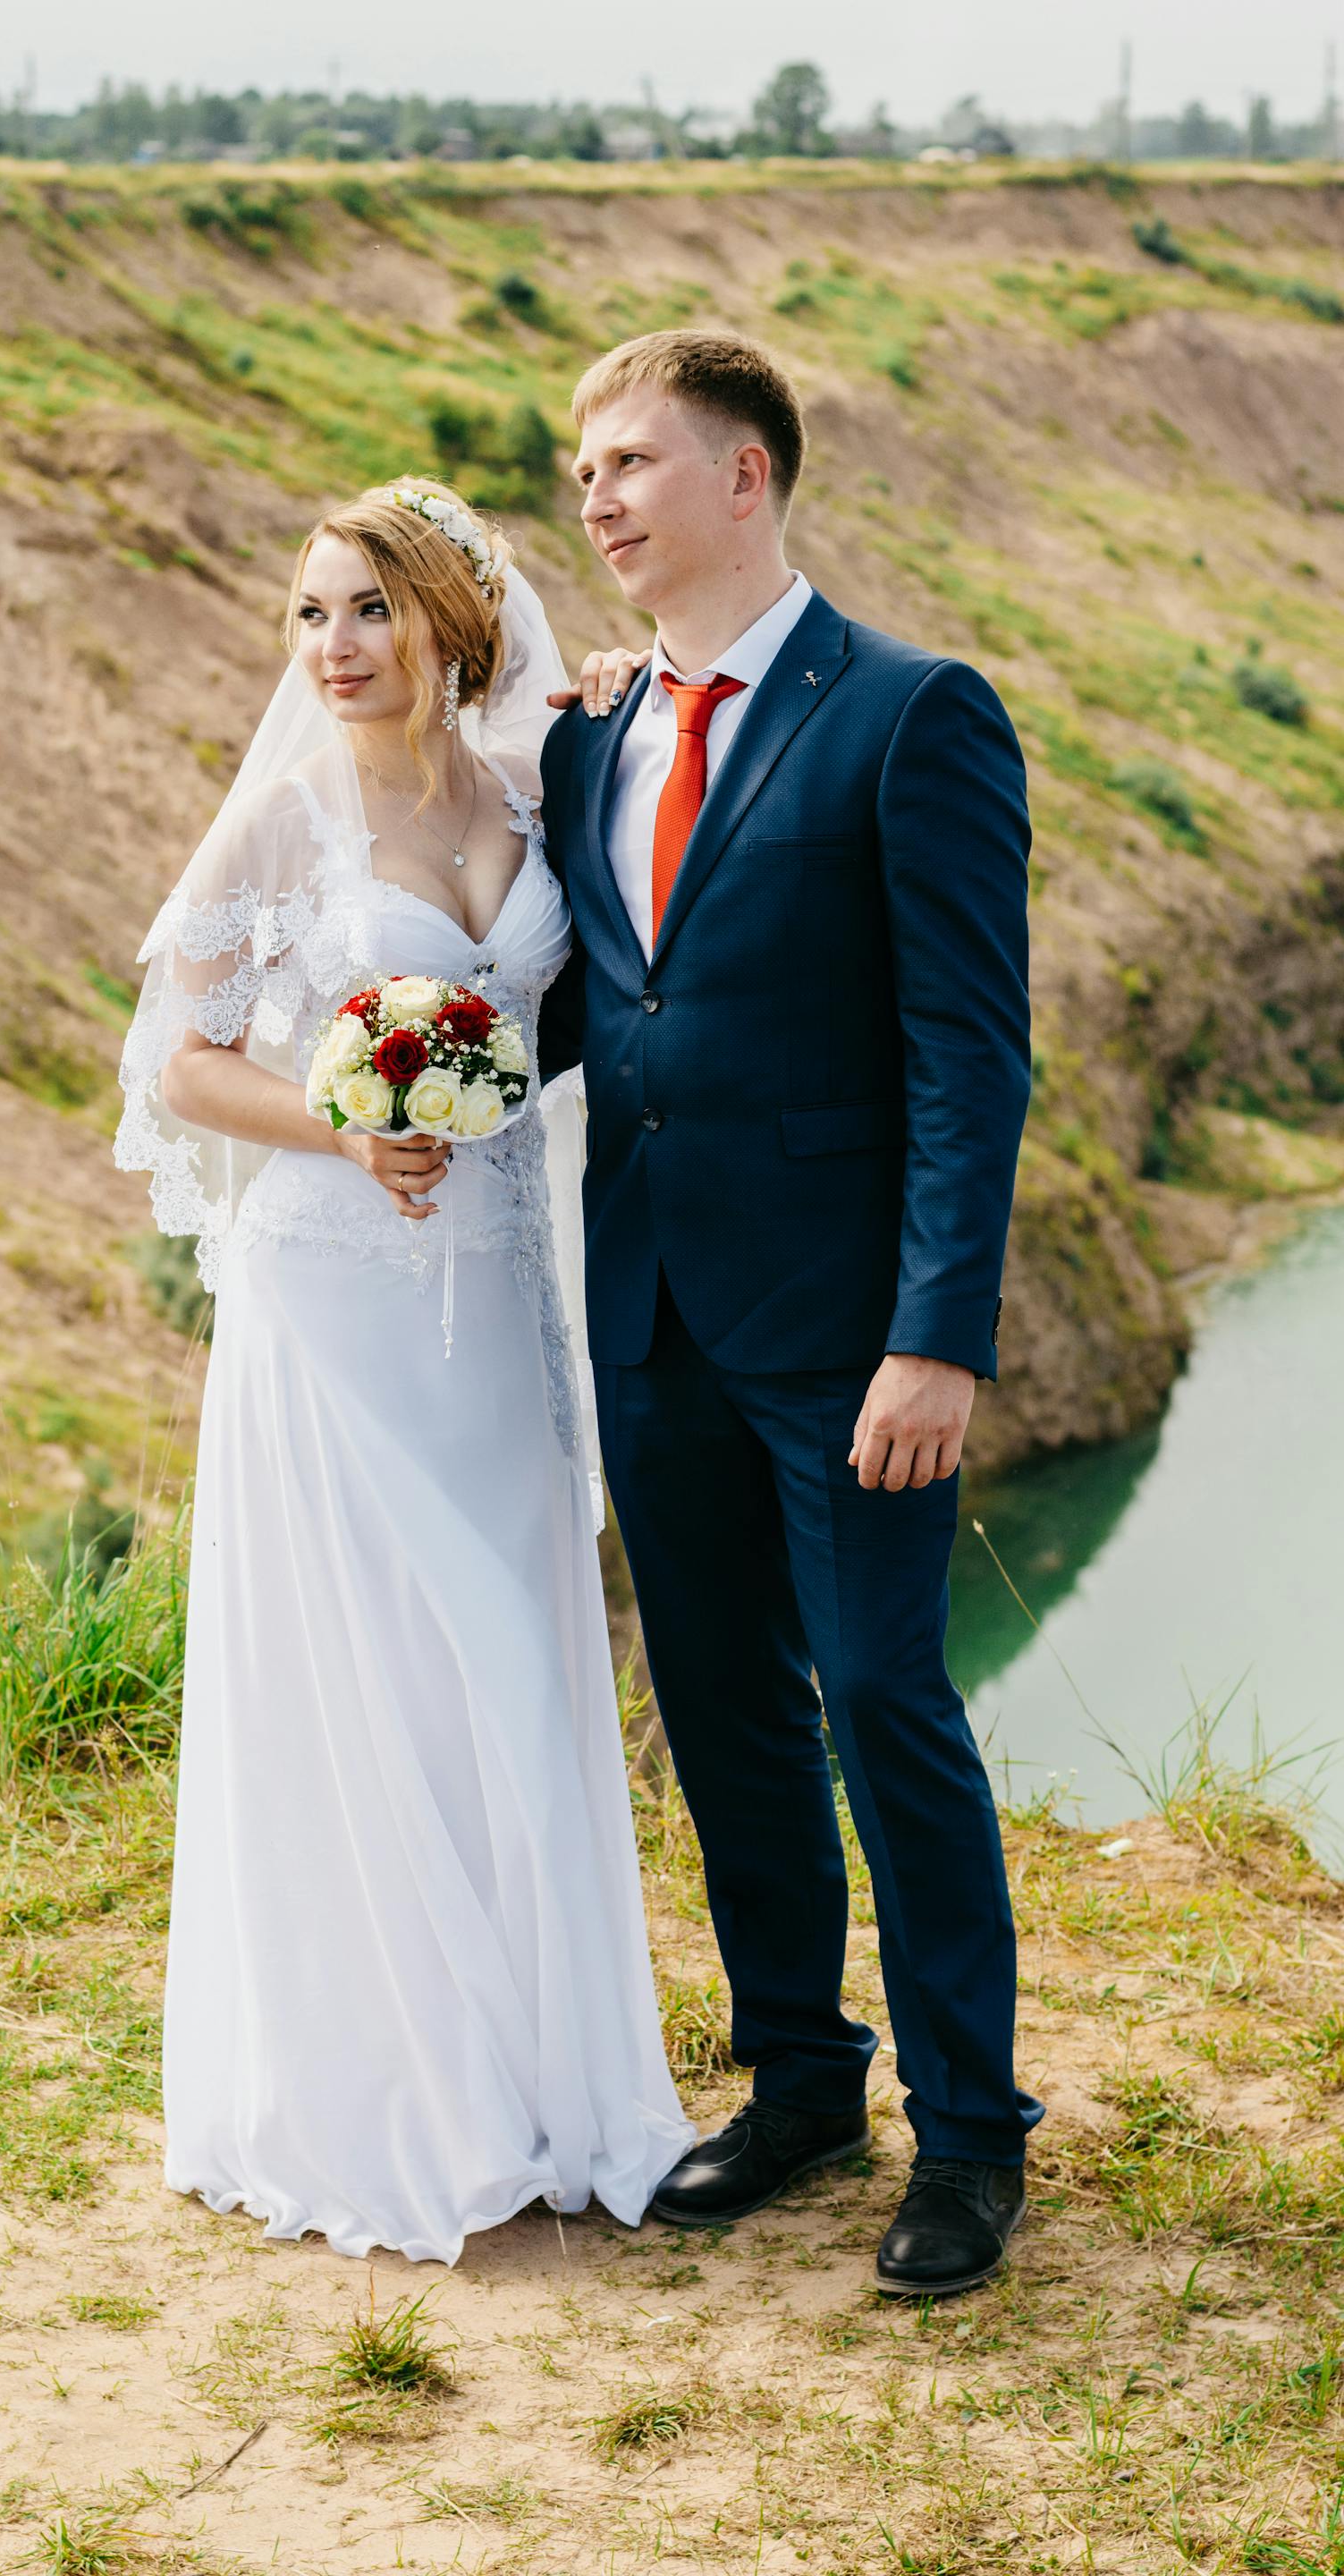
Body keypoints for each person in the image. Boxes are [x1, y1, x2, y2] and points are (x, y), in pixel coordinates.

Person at [115, 478, 690, 2267]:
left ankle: (552, 2080)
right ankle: (394, 2098)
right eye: (310, 616)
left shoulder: (529, 788)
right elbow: (176, 1064)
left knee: (516, 1662)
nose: (337, 649)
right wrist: (340, 1130)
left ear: (451, 622)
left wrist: (609, 693)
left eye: (368, 610)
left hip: (506, 1310)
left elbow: (583, 967)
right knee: (367, 1675)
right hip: (340, 1307)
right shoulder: (285, 826)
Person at [540, 330, 1044, 2298]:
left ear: (747, 478)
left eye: (633, 460)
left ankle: (974, 2137)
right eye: (582, 466)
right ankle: (805, 2082)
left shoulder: (916, 714)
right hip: (650, 1305)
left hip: (851, 1337)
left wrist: (941, 1329)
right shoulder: (595, 734)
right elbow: (603, 1003)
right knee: (723, 1703)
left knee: (886, 1704)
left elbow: (965, 1052)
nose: (596, 495)